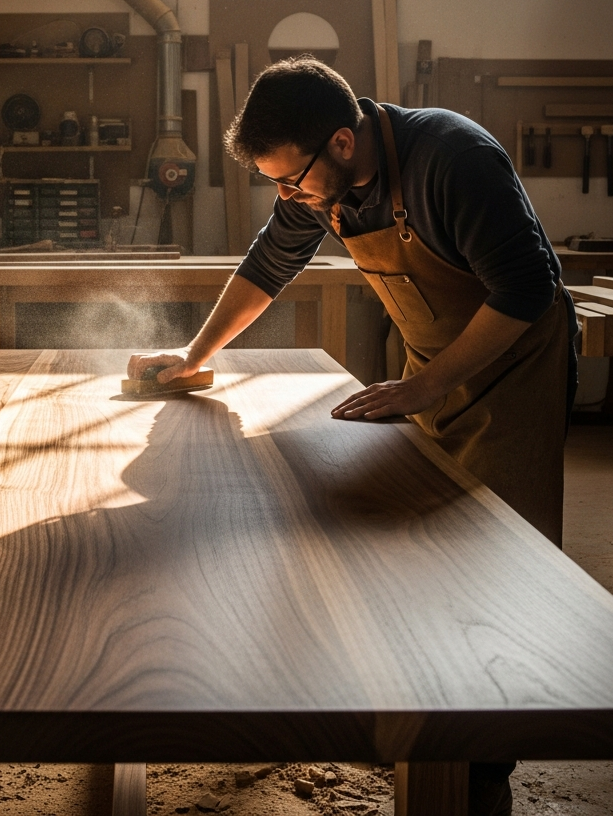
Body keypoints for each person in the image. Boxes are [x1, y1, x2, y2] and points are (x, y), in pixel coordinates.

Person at [128, 56, 578, 816]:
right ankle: (424, 715)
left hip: (514, 367)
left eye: (290, 181)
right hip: (432, 369)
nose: (287, 198)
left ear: (341, 142)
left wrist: (427, 386)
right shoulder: (321, 178)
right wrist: (194, 357)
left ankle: (483, 769)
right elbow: (270, 263)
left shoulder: (453, 160)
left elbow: (525, 289)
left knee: (501, 565)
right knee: (421, 552)